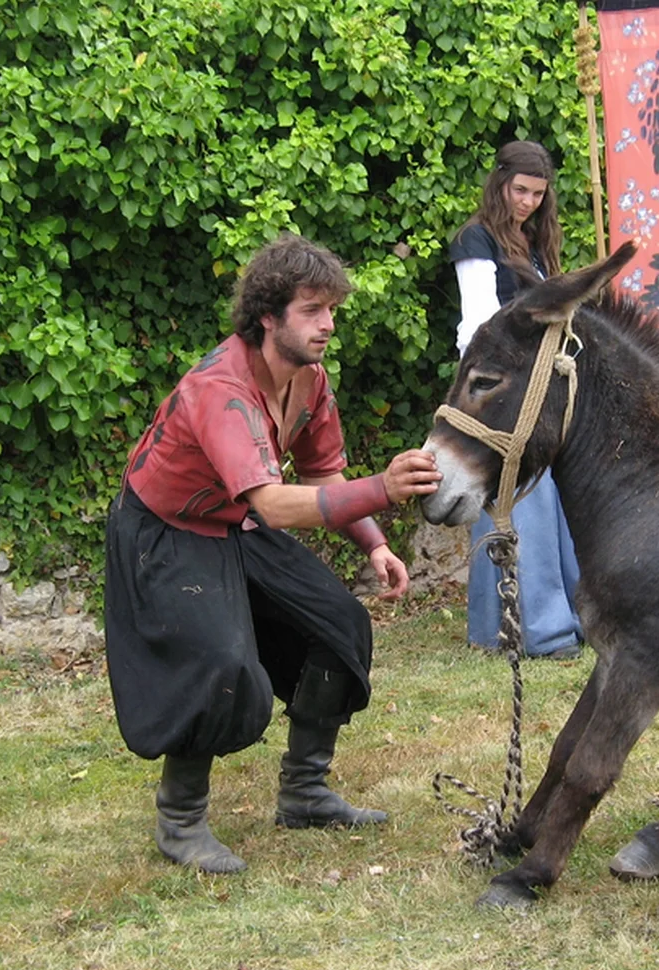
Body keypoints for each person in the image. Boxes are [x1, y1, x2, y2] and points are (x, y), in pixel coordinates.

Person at [104, 233, 441, 873]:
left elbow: (321, 477)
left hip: (236, 521)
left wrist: (372, 541)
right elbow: (272, 505)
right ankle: (180, 820)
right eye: (312, 310)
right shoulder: (220, 389)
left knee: (339, 623)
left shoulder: (309, 381)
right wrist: (386, 490)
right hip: (167, 528)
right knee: (220, 662)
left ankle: (305, 793)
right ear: (269, 315)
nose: (328, 325)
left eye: (331, 310)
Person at [448, 140, 584, 660]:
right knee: (516, 500)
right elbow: (476, 325)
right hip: (499, 392)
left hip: (538, 388)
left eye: (537, 194)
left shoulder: (535, 244)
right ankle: (530, 628)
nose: (526, 202)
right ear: (500, 182)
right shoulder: (476, 240)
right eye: (520, 190)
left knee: (551, 499)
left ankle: (571, 610)